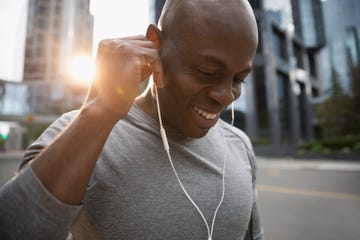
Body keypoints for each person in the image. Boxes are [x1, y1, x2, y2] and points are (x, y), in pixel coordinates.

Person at [0, 0, 265, 239]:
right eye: (206, 72)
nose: (226, 96)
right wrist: (100, 110)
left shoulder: (240, 145)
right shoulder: (85, 132)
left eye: (239, 79)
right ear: (156, 44)